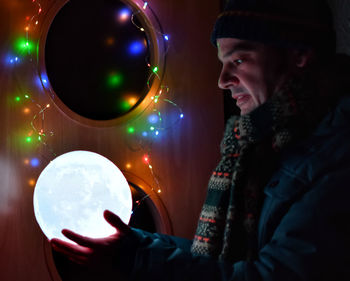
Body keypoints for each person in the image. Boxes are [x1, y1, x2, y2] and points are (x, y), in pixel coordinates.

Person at [51, 0, 350, 280]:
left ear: (299, 55)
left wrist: (136, 257)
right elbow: (224, 259)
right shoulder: (263, 144)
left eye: (240, 59)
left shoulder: (334, 158)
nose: (223, 80)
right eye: (223, 61)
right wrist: (133, 244)